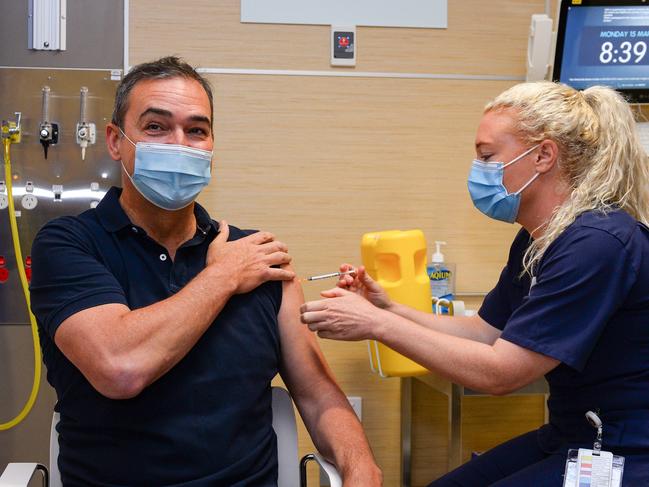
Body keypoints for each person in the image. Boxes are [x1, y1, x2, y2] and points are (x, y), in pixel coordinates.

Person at [30, 56, 381, 486]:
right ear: (115, 141)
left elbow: (318, 394)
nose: (180, 144)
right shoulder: (68, 245)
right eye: (157, 127)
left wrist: (363, 469)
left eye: (196, 130)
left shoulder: (260, 257)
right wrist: (223, 276)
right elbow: (120, 367)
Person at [300, 81, 649, 485]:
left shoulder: (597, 244)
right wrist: (388, 308)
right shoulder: (539, 238)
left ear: (543, 155)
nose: (478, 169)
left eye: (487, 156)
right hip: (572, 434)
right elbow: (485, 333)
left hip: (625, 449)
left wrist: (375, 325)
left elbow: (501, 373)